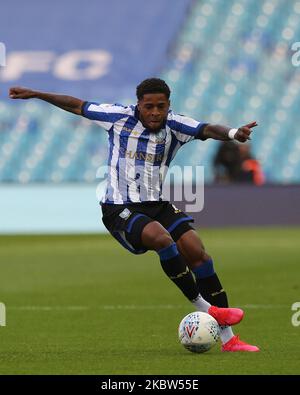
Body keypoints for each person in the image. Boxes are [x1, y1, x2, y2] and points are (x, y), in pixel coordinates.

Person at [9, 78, 259, 352]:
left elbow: (208, 129)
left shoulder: (175, 125)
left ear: (168, 106)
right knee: (162, 239)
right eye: (148, 106)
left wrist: (234, 133)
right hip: (119, 207)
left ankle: (229, 340)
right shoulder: (118, 117)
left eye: (160, 107)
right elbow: (78, 105)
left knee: (197, 252)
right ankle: (207, 308)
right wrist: (37, 93)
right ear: (138, 104)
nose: (154, 112)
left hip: (157, 204)